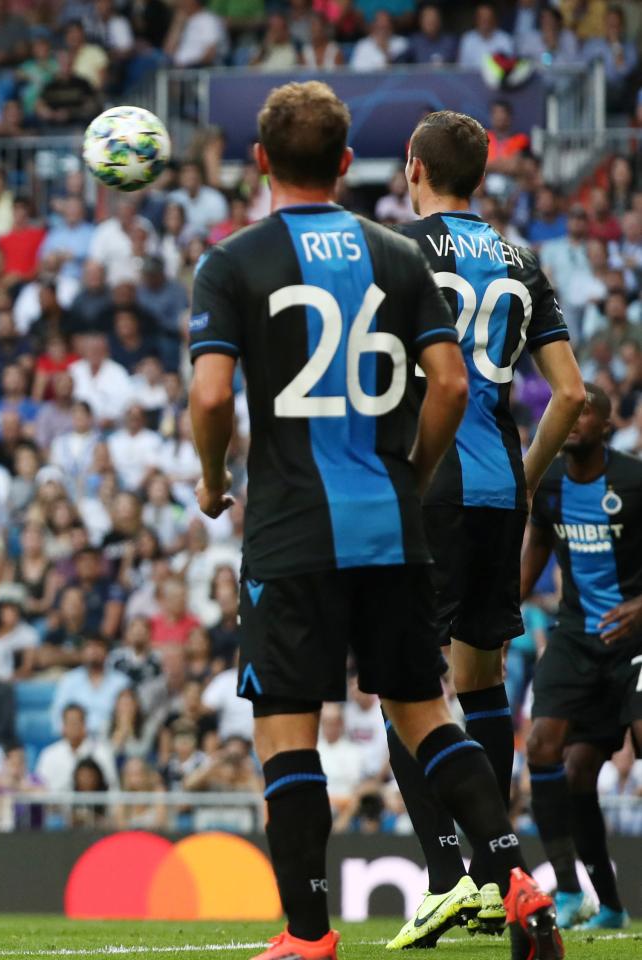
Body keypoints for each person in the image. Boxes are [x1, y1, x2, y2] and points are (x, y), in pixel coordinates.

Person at [187, 82, 561, 960]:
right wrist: (411, 473)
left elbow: (210, 395)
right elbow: (456, 383)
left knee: (287, 726)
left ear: (261, 160)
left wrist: (212, 480)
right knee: (429, 712)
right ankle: (515, 882)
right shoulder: (395, 254)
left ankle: (309, 936)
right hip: (394, 519)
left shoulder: (233, 260)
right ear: (349, 164)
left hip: (290, 524)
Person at [385, 110, 584, 949]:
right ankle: (493, 875)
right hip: (501, 487)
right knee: (481, 681)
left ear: (414, 167)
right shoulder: (522, 260)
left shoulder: (392, 251)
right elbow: (570, 396)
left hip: (425, 484)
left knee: (404, 686)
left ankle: (448, 878)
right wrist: (527, 477)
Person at [521, 385, 642, 932]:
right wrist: (501, 616)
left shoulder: (635, 480)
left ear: (607, 423)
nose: (571, 419)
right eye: (564, 410)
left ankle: (605, 903)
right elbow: (538, 545)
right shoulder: (547, 484)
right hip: (575, 636)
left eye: (583, 411)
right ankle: (580, 896)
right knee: (555, 758)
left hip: (635, 638)